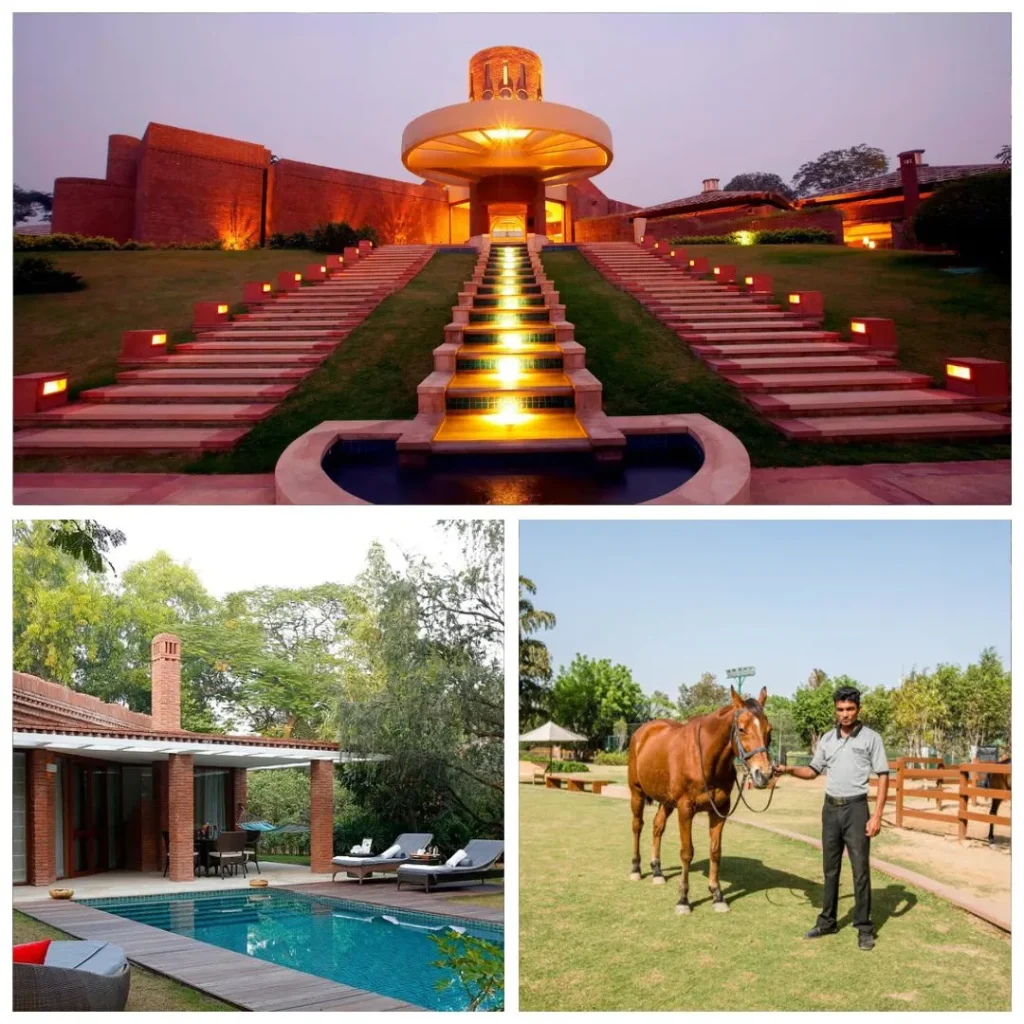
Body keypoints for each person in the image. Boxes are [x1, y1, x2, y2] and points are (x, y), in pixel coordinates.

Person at [774, 685, 889, 950]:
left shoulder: (872, 738)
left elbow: (883, 775)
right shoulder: (827, 739)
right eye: (840, 709)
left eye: (850, 709)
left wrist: (877, 816)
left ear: (858, 709)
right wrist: (788, 769)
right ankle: (827, 921)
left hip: (857, 809)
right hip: (831, 809)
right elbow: (813, 770)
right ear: (835, 710)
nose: (845, 714)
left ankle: (864, 927)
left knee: (860, 870)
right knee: (830, 868)